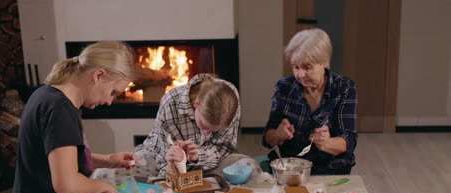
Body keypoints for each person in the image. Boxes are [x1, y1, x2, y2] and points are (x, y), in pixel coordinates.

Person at [6, 41, 138, 193]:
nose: (109, 101)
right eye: (113, 92)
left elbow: (54, 159)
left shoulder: (47, 95)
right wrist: (104, 186)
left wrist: (106, 160)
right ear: (98, 75)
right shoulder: (60, 111)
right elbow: (68, 186)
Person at [128, 73, 262, 179]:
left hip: (210, 161)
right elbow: (162, 158)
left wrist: (198, 155)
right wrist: (176, 164)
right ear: (196, 104)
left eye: (215, 130)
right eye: (204, 125)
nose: (208, 133)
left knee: (250, 167)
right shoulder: (170, 103)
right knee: (125, 169)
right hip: (161, 160)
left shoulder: (230, 97)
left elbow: (225, 149)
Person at [262, 28, 357, 175]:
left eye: (307, 67)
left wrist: (327, 143)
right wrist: (278, 134)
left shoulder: (344, 87)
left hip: (330, 169)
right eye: (296, 67)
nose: (300, 74)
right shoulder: (284, 87)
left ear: (325, 62)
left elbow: (348, 140)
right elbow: (268, 139)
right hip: (289, 168)